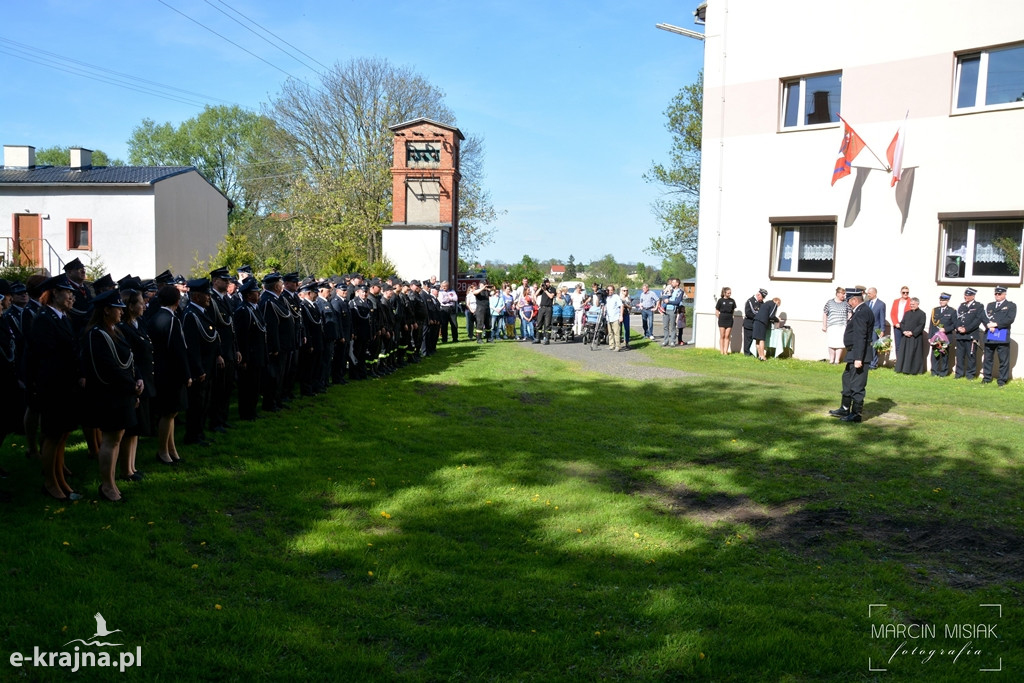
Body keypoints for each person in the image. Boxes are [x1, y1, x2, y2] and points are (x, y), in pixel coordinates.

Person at [82, 290, 142, 502]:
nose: (121, 312)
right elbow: (107, 367)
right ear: (106, 310)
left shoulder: (115, 331)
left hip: (122, 392)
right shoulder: (96, 334)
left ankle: (112, 482)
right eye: (118, 308)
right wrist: (131, 386)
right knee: (110, 440)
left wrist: (138, 379)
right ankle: (107, 485)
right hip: (109, 394)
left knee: (117, 438)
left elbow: (129, 358)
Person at [28, 276, 84, 500]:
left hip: (65, 386)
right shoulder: (44, 319)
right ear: (53, 294)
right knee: (52, 435)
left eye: (71, 292)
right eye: (66, 292)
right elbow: (46, 357)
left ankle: (60, 479)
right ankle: (50, 483)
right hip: (53, 388)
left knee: (62, 435)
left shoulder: (61, 317)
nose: (71, 296)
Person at [150, 285, 191, 465]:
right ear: (176, 301)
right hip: (171, 373)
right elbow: (179, 350)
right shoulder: (172, 319)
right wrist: (186, 374)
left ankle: (171, 449)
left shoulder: (155, 317)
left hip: (159, 371)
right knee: (168, 413)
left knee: (170, 413)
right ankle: (163, 451)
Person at [117, 286, 155, 482]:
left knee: (137, 429)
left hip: (144, 379)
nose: (144, 305)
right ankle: (125, 470)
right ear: (130, 306)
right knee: (130, 428)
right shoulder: (123, 328)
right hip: (133, 380)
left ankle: (132, 467)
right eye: (141, 302)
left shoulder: (138, 323)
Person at [829, 288, 873, 423]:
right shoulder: (859, 311)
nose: (848, 303)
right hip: (853, 353)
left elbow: (860, 336)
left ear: (855, 300)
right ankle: (844, 407)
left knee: (857, 384)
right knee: (847, 380)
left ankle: (856, 414)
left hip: (859, 354)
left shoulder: (862, 312)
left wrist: (858, 358)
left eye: (849, 301)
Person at [982, 286, 1016, 386]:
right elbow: (985, 317)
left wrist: (996, 324)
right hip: (990, 335)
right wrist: (988, 324)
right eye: (996, 294)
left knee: (1003, 360)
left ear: (1005, 294)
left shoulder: (1010, 305)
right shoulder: (990, 305)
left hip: (1002, 336)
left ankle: (1002, 380)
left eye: (999, 294)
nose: (997, 295)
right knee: (988, 359)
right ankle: (987, 378)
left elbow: (1010, 319)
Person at [954, 287, 986, 380]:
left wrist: (966, 329)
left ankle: (970, 375)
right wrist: (958, 327)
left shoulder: (978, 306)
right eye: (965, 295)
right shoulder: (962, 305)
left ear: (973, 296)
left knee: (971, 355)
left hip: (971, 335)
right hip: (960, 335)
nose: (966, 297)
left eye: (968, 295)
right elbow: (957, 319)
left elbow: (977, 320)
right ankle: (959, 374)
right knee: (960, 356)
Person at [894, 297, 927, 374]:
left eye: (913, 304)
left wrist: (912, 333)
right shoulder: (907, 313)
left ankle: (913, 370)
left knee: (913, 353)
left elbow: (921, 325)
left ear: (917, 304)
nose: (911, 306)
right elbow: (902, 323)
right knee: (904, 353)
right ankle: (902, 369)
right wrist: (904, 331)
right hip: (905, 336)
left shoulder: (922, 314)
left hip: (915, 337)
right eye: (910, 304)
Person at [928, 293, 956, 377]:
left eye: (944, 300)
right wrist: (930, 337)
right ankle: (934, 371)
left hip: (945, 337)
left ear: (947, 301)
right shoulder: (935, 310)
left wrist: (945, 329)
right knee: (935, 354)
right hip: (936, 337)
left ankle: (943, 372)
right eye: (941, 300)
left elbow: (954, 325)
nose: (942, 302)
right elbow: (931, 325)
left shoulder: (952, 311)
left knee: (944, 355)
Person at [822, 287, 850, 364]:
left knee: (840, 343)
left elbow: (849, 313)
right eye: (843, 294)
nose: (844, 295)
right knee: (831, 343)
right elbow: (825, 313)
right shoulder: (830, 302)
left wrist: (848, 323)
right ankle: (831, 360)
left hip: (842, 326)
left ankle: (837, 360)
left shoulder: (846, 303)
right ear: (838, 294)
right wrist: (824, 325)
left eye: (844, 294)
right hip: (832, 326)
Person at [864, 287, 887, 369]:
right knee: (867, 346)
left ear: (874, 293)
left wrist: (882, 330)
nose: (868, 295)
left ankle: (873, 364)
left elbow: (882, 318)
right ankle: (867, 362)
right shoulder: (866, 303)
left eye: (869, 293)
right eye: (867, 293)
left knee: (874, 346)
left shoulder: (881, 304)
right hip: (866, 328)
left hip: (876, 328)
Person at [753, 297, 780, 361]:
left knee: (757, 339)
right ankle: (762, 356)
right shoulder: (774, 304)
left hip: (756, 320)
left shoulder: (766, 303)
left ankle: (759, 355)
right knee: (762, 339)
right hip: (762, 322)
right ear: (777, 302)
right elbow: (771, 316)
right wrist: (777, 320)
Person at [659, 278, 683, 347]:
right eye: (671, 282)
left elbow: (677, 301)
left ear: (677, 283)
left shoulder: (680, 292)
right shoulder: (669, 289)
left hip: (673, 310)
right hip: (666, 310)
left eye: (673, 282)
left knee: (672, 326)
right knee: (665, 326)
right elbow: (663, 296)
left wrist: (669, 301)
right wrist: (664, 299)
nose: (672, 283)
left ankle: (673, 341)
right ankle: (666, 341)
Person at [743, 289, 766, 356]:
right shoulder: (750, 301)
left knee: (757, 340)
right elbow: (748, 313)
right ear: (758, 295)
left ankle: (757, 354)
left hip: (757, 324)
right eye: (762, 297)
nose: (763, 299)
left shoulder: (762, 303)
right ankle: (747, 353)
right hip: (749, 323)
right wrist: (758, 317)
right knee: (748, 340)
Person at [890, 286, 911, 358]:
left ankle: (905, 362)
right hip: (897, 326)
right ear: (901, 292)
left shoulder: (911, 301)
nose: (905, 294)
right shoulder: (896, 301)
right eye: (904, 292)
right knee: (898, 345)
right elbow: (892, 313)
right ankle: (898, 362)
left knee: (906, 345)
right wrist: (896, 323)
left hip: (906, 326)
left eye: (907, 292)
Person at [534, 279, 556, 344]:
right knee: (539, 323)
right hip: (542, 308)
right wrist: (541, 288)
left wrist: (545, 290)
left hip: (548, 308)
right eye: (545, 283)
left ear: (549, 283)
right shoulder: (543, 289)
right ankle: (538, 338)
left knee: (547, 324)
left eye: (547, 282)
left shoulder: (552, 289)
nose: (546, 284)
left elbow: (551, 296)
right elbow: (536, 294)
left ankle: (547, 339)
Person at [715, 287, 737, 354]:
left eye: (730, 293)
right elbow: (717, 311)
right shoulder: (720, 301)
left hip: (729, 319)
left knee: (727, 336)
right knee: (722, 335)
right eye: (728, 293)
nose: (729, 294)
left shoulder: (732, 301)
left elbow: (733, 311)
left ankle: (725, 351)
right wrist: (720, 318)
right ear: (724, 293)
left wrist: (731, 317)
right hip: (722, 319)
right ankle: (721, 351)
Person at [604, 285, 624, 351]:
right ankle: (611, 345)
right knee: (610, 333)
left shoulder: (616, 297)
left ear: (613, 290)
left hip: (615, 317)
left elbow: (621, 306)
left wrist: (621, 316)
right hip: (608, 318)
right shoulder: (606, 297)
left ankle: (618, 346)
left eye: (611, 290)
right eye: (608, 290)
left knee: (616, 332)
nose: (610, 291)